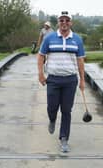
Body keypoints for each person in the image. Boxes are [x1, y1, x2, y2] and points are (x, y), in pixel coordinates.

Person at [37, 11, 85, 152]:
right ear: (58, 22)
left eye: (67, 20)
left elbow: (80, 61)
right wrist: (40, 74)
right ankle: (52, 119)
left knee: (66, 110)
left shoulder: (77, 39)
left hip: (70, 80)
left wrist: (82, 80)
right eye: (62, 20)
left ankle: (64, 138)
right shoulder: (50, 38)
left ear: (71, 22)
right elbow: (40, 56)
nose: (64, 23)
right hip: (53, 79)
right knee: (52, 107)